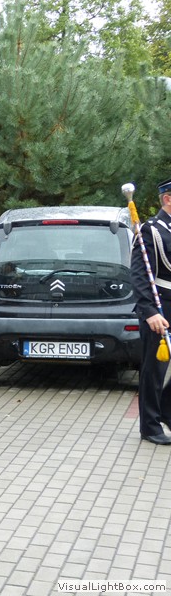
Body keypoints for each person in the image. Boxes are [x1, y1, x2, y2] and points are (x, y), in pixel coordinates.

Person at [132, 178, 171, 445]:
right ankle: (150, 425)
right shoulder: (151, 230)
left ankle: (166, 410)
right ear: (167, 199)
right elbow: (139, 274)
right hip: (160, 307)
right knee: (155, 369)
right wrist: (148, 311)